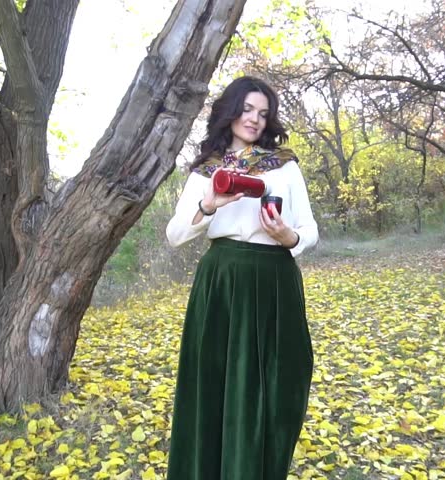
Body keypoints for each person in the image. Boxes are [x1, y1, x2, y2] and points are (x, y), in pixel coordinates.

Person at [165, 76, 319, 479]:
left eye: (263, 113)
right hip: (223, 283)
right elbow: (176, 235)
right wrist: (209, 203)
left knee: (279, 385)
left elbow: (309, 229)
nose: (254, 119)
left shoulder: (283, 165)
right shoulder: (207, 170)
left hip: (274, 281)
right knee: (216, 385)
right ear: (231, 111)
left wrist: (290, 237)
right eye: (248, 109)